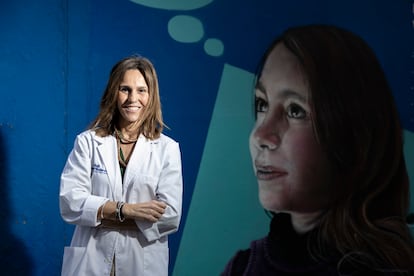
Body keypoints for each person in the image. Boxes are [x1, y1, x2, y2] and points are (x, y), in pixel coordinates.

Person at [222, 25, 414, 275]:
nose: (260, 136)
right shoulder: (243, 266)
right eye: (262, 104)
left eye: (295, 110)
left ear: (355, 133)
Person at [59, 56, 183, 276]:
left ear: (151, 95)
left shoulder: (167, 149)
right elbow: (70, 201)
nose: (132, 98)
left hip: (142, 263)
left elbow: (170, 215)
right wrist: (126, 209)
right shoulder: (88, 142)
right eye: (125, 89)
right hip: (91, 259)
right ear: (113, 93)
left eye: (141, 90)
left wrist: (101, 213)